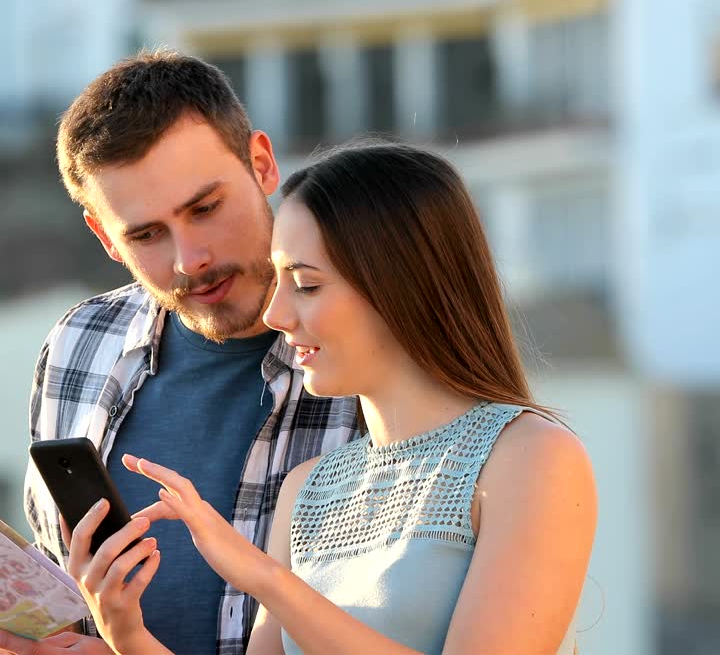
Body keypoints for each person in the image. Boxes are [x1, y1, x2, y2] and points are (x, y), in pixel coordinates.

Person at [64, 141, 597, 654]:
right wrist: (126, 635)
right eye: (279, 281)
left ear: (400, 286)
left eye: (307, 285)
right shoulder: (307, 490)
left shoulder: (530, 456)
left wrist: (264, 578)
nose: (276, 315)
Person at [0, 51, 363, 655]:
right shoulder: (79, 344)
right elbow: (71, 586)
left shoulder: (372, 346)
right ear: (105, 237)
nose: (190, 260)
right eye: (146, 234)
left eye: (205, 209)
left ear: (261, 164)